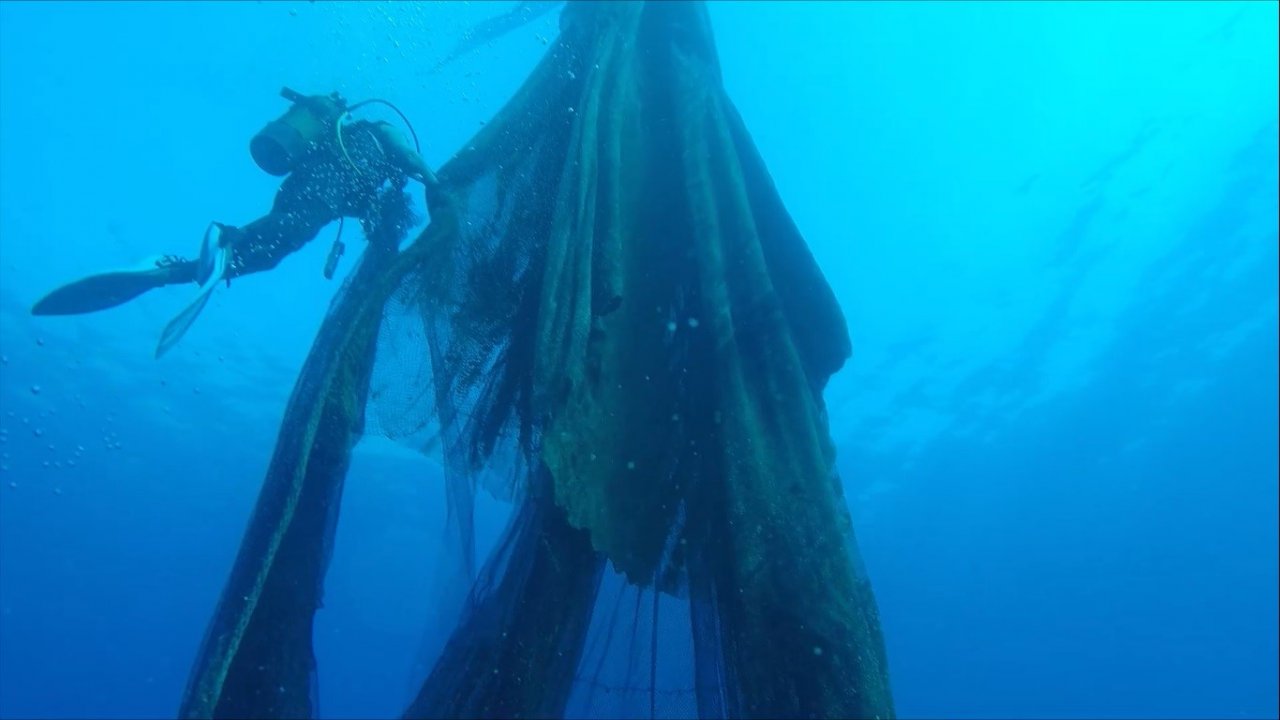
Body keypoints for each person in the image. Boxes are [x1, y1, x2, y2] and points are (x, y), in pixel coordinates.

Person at [31, 88, 439, 354]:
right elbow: (409, 158)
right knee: (291, 230)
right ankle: (225, 236)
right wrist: (435, 184)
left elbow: (359, 202)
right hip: (319, 186)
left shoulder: (348, 157)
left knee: (272, 253)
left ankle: (170, 270)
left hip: (307, 187)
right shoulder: (378, 131)